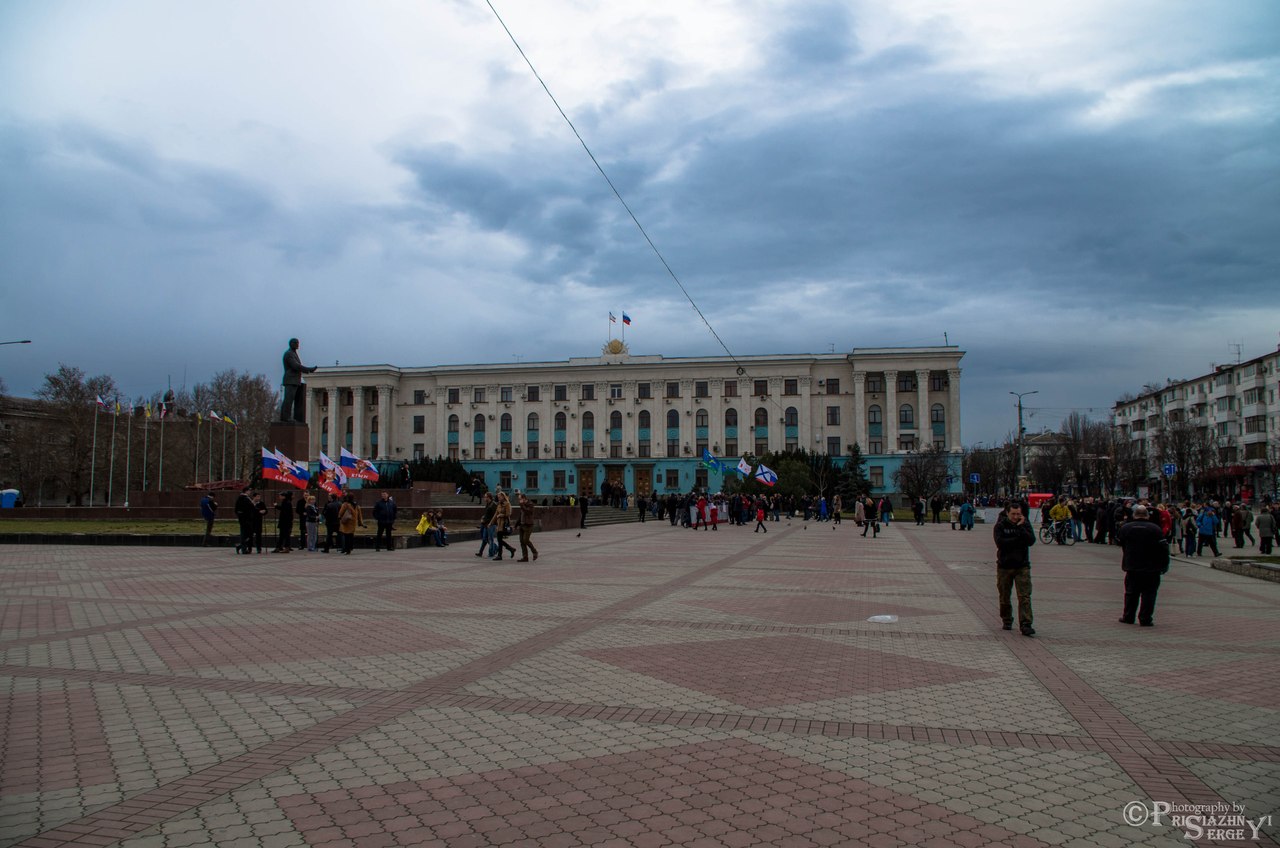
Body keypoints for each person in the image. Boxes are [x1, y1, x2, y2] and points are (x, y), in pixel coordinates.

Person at [1116, 504, 1170, 627]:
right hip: (1152, 568)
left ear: (1134, 515)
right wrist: (1164, 564)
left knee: (1131, 593)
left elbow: (1119, 542)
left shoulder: (1126, 528)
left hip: (1132, 566)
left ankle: (1129, 616)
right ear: (1147, 516)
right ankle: (1145, 618)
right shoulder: (1155, 529)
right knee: (1149, 593)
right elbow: (1163, 548)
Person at [994, 502, 1037, 636]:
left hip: (1022, 566)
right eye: (1013, 514)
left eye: (1018, 514)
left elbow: (1031, 540)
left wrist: (1021, 528)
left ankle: (1026, 623)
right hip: (1004, 566)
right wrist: (1018, 539)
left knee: (1024, 596)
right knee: (1004, 596)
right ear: (1007, 513)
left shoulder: (1025, 524)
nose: (1015, 516)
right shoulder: (1000, 526)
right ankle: (1007, 619)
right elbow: (1001, 543)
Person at [279, 337, 318, 423]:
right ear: (291, 344)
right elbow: (295, 366)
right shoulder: (289, 354)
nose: (298, 345)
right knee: (288, 399)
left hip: (295, 380)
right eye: (296, 343)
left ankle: (292, 417)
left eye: (298, 343)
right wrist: (308, 369)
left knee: (292, 399)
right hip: (290, 380)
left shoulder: (293, 354)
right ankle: (285, 418)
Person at [492, 491, 518, 560]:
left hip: (504, 524)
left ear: (503, 496)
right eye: (498, 497)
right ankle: (510, 549)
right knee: (499, 540)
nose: (499, 498)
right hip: (499, 524)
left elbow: (508, 514)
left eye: (499, 497)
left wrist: (501, 515)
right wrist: (490, 523)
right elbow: (495, 514)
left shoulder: (507, 504)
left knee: (499, 539)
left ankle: (500, 555)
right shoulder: (499, 504)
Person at [517, 492, 539, 561]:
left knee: (525, 540)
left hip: (528, 525)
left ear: (524, 498)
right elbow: (520, 515)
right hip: (522, 524)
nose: (519, 501)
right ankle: (525, 557)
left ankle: (534, 551)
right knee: (522, 541)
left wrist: (522, 505)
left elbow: (528, 512)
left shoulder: (530, 504)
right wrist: (516, 525)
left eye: (520, 499)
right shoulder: (522, 505)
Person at [233, 487, 254, 555]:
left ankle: (241, 546)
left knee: (248, 534)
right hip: (245, 519)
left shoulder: (245, 498)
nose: (250, 492)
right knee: (245, 533)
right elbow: (245, 508)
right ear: (246, 491)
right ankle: (243, 548)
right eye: (249, 491)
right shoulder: (242, 498)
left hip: (247, 518)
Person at [476, 493, 498, 557]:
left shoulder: (493, 505)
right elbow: (487, 514)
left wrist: (487, 521)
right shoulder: (488, 504)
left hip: (491, 524)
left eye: (485, 497)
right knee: (485, 539)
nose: (484, 498)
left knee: (490, 539)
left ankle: (491, 553)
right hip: (486, 524)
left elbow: (494, 516)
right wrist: (483, 518)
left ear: (489, 497)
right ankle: (481, 552)